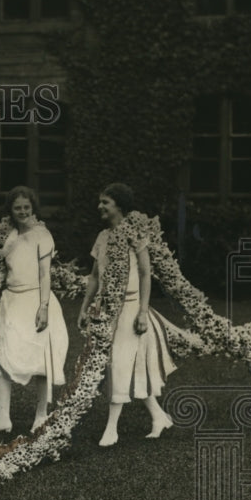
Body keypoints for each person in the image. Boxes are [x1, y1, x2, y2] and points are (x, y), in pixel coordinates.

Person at [78, 183, 176, 446]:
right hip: (107, 310)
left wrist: (143, 312)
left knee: (120, 363)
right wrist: (85, 306)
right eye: (100, 202)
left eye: (105, 202)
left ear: (119, 206)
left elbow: (145, 274)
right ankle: (158, 416)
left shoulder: (135, 234)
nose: (100, 206)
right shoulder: (102, 237)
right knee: (117, 365)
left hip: (131, 309)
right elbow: (95, 276)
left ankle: (112, 428)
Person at [0, 186, 69, 434]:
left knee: (41, 361)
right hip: (11, 301)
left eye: (26, 207)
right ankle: (3, 418)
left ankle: (41, 415)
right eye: (17, 207)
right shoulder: (7, 236)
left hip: (35, 301)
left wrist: (43, 307)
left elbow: (45, 274)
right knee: (1, 357)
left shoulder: (42, 235)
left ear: (33, 208)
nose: (22, 212)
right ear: (10, 210)